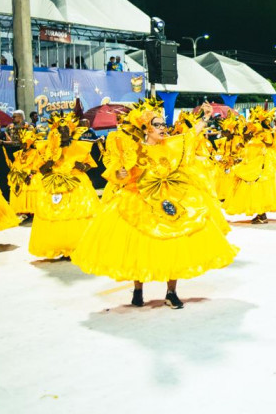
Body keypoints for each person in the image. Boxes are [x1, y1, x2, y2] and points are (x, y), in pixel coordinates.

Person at [72, 102, 238, 308]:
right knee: (138, 246)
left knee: (173, 244)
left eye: (163, 125)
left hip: (169, 199)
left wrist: (205, 117)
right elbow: (120, 174)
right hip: (138, 201)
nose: (163, 128)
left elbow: (190, 136)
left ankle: (171, 292)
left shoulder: (169, 145)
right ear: (145, 129)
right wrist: (120, 173)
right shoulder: (134, 149)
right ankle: (137, 290)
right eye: (157, 125)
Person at [28, 113, 100, 259]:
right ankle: (58, 246)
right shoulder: (45, 148)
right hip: (53, 186)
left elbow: (89, 165)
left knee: (78, 214)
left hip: (77, 186)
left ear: (71, 130)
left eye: (66, 129)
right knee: (55, 216)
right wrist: (50, 161)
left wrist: (83, 166)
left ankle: (78, 245)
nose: (63, 133)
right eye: (60, 130)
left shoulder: (81, 147)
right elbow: (41, 170)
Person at [223, 107, 276, 223]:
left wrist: (265, 134)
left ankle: (262, 214)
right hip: (251, 163)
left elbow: (270, 143)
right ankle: (260, 213)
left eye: (255, 122)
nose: (251, 124)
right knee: (251, 188)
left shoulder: (265, 134)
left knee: (258, 187)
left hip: (261, 166)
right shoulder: (253, 136)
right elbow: (249, 148)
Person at [6, 128, 43, 219]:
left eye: (24, 143)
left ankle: (32, 211)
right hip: (19, 174)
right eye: (21, 143)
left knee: (31, 184)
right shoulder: (18, 153)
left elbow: (37, 167)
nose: (21, 145)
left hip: (32, 174)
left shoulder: (35, 153)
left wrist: (29, 176)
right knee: (15, 183)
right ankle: (21, 210)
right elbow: (16, 165)